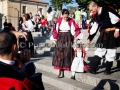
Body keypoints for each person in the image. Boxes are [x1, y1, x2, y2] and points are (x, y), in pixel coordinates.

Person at [86, 1, 120, 75]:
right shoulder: (95, 16)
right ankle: (93, 68)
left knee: (111, 51)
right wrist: (89, 38)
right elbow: (94, 28)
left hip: (112, 33)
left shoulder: (107, 9)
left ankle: (108, 69)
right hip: (103, 34)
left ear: (96, 6)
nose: (91, 11)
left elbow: (118, 19)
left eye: (92, 10)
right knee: (99, 50)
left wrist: (117, 30)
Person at [52, 9, 83, 78]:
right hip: (60, 38)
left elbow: (76, 29)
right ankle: (59, 71)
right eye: (64, 17)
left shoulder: (71, 21)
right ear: (62, 15)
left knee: (67, 53)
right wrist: (54, 39)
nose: (66, 18)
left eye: (67, 17)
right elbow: (55, 30)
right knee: (59, 53)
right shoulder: (58, 21)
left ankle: (65, 68)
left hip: (68, 38)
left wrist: (76, 38)